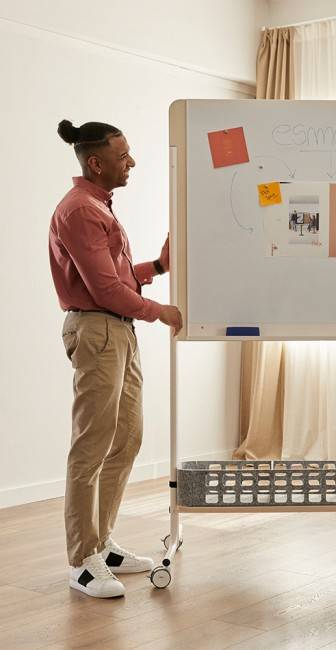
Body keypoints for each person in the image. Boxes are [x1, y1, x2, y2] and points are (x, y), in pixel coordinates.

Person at [49, 119, 183, 598]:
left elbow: (114, 278)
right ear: (96, 162)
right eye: (124, 155)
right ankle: (82, 560)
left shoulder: (98, 206)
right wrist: (160, 311)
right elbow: (104, 289)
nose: (132, 162)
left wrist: (159, 267)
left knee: (127, 438)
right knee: (91, 446)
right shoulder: (81, 210)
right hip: (98, 331)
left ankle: (102, 544)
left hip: (117, 331)